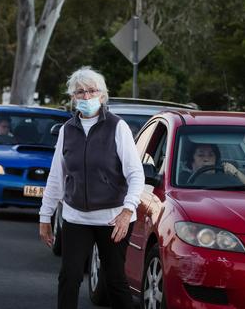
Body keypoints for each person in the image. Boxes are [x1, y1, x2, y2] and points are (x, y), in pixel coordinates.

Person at [39, 66, 144, 309]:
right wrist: (45, 216)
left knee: (115, 280)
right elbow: (57, 176)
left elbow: (136, 174)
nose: (86, 97)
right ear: (72, 98)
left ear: (102, 95)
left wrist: (127, 211)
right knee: (69, 276)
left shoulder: (118, 128)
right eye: (80, 92)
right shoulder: (67, 130)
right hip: (76, 216)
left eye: (91, 91)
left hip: (113, 218)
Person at [180, 143, 245, 184]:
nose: (206, 159)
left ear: (216, 159)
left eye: (211, 155)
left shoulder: (226, 177)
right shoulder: (180, 180)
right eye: (201, 155)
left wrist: (237, 173)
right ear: (191, 161)